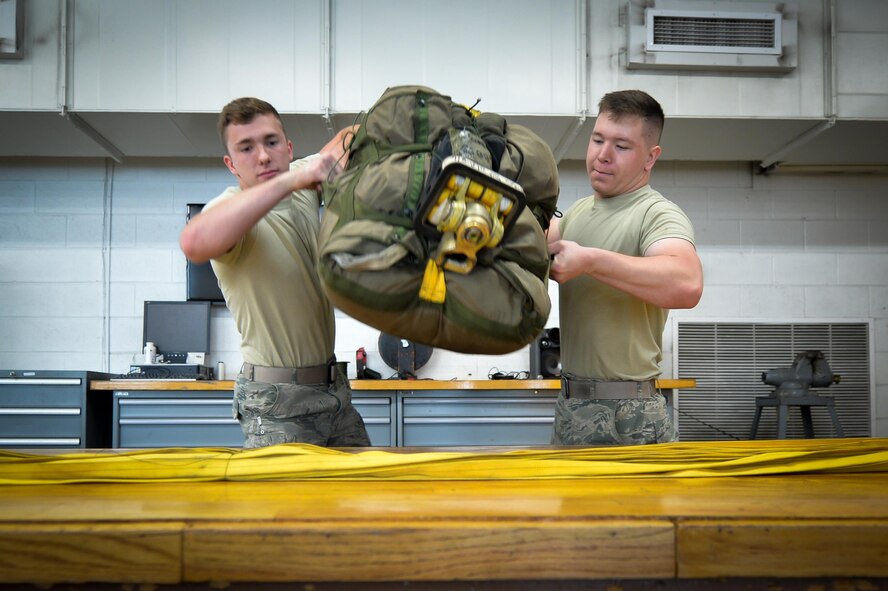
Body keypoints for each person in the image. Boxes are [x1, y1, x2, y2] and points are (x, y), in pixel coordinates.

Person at [179, 97, 370, 448]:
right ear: (231, 163)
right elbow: (194, 242)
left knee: (359, 497)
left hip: (335, 395)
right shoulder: (231, 206)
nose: (264, 156)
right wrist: (290, 181)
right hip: (278, 404)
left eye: (271, 142)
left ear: (288, 147)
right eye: (246, 148)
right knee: (287, 504)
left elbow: (352, 135)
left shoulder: (301, 182)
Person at [546, 89, 703, 446]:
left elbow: (687, 283)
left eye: (621, 146)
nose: (602, 155)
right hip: (570, 408)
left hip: (628, 416)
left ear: (650, 158)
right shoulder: (575, 214)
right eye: (597, 139)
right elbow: (533, 244)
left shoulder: (656, 213)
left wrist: (590, 260)